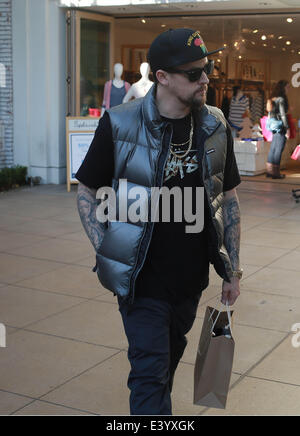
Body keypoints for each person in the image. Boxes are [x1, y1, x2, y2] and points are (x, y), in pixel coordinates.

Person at [76, 28, 242, 416]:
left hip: (189, 280)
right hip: (140, 281)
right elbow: (87, 191)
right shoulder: (120, 124)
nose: (206, 79)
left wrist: (231, 269)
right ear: (163, 77)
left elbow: (229, 201)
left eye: (208, 69)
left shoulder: (215, 125)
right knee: (149, 375)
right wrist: (105, 247)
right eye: (194, 73)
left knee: (163, 364)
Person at [265, 80, 290, 179]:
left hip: (273, 126)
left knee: (273, 148)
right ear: (283, 88)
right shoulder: (281, 99)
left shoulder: (273, 98)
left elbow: (271, 113)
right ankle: (276, 173)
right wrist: (287, 128)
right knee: (279, 149)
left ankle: (269, 171)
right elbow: (283, 115)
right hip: (280, 126)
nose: (288, 89)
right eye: (287, 87)